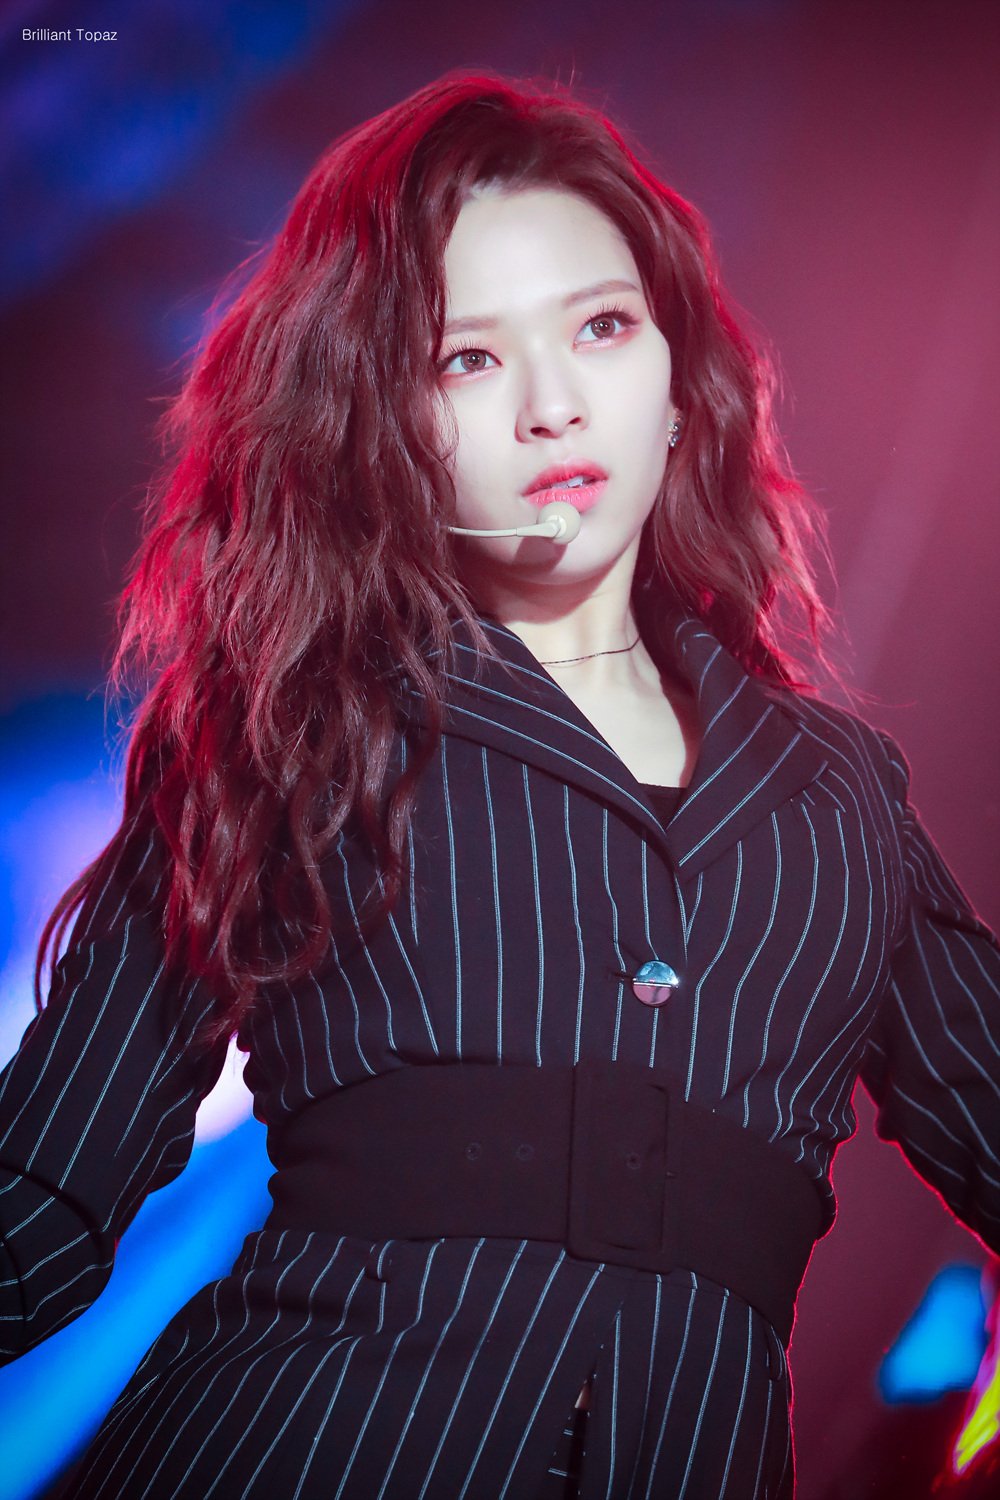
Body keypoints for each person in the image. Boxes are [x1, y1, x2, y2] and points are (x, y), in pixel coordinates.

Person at [1, 70, 997, 1500]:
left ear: (678, 385)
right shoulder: (291, 726)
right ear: (380, 420)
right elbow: (44, 1186)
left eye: (601, 327)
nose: (551, 406)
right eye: (467, 357)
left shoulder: (838, 800)